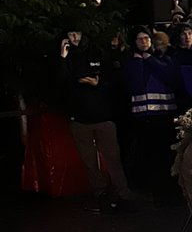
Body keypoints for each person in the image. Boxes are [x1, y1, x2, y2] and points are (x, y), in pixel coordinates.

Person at [61, 25, 134, 213]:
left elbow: (112, 79)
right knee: (88, 161)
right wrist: (62, 58)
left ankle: (123, 193)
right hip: (78, 117)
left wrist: (98, 82)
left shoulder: (98, 52)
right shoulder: (67, 56)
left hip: (103, 115)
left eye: (77, 32)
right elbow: (62, 83)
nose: (74, 36)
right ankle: (100, 194)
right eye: (71, 33)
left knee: (112, 157)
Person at [123, 27, 180, 204]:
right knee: (151, 157)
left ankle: (171, 191)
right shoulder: (131, 62)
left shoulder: (164, 59)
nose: (144, 42)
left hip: (166, 115)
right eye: (139, 39)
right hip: (144, 118)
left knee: (167, 155)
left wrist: (149, 59)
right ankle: (157, 193)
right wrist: (140, 62)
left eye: (146, 38)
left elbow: (169, 76)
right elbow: (136, 85)